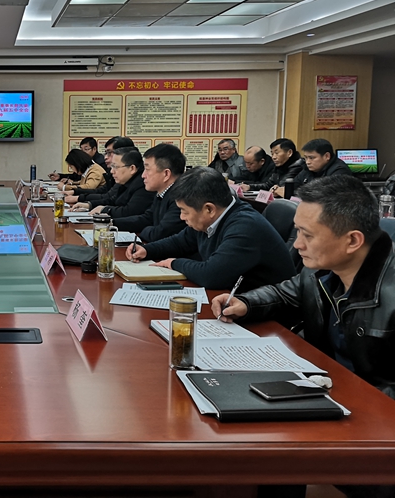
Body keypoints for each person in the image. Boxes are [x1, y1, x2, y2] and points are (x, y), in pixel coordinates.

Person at [214, 175, 395, 498]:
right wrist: (246, 303)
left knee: (264, 450)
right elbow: (288, 292)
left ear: (352, 240)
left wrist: (347, 398)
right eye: (297, 231)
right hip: (328, 395)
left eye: (307, 235)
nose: (297, 245)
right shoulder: (321, 269)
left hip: (373, 425)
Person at [128, 167, 295, 291]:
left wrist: (173, 263)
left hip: (268, 316)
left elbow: (211, 275)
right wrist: (147, 250)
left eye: (184, 211)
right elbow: (181, 241)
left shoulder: (245, 226)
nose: (181, 217)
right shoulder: (213, 217)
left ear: (209, 209)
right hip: (233, 300)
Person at [113, 143, 187, 242]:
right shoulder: (162, 193)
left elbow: (159, 234)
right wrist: (112, 223)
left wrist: (144, 231)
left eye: (147, 169)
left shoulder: (181, 197)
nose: (143, 175)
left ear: (166, 174)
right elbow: (147, 219)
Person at [72, 147, 155, 219]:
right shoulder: (125, 181)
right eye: (112, 166)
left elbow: (129, 211)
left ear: (132, 168)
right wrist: (89, 205)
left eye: (115, 167)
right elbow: (113, 200)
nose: (112, 171)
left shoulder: (142, 184)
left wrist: (104, 210)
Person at [65, 136, 135, 203]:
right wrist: (76, 192)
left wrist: (78, 198)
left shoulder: (136, 180)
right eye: (106, 153)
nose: (105, 157)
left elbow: (109, 198)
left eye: (109, 153)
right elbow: (103, 191)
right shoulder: (112, 172)